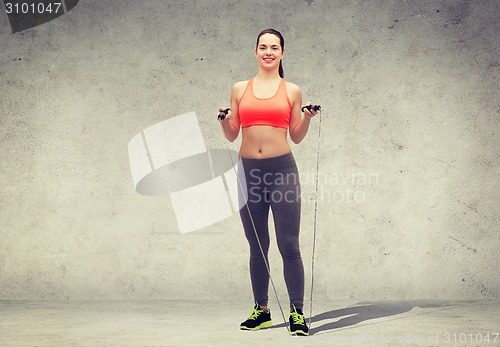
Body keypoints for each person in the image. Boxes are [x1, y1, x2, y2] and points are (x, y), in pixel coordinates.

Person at [218, 28, 319, 336]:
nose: (268, 51)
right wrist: (224, 120)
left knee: (289, 244)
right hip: (249, 172)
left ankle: (297, 312)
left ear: (282, 53)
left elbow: (296, 136)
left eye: (274, 47)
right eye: (263, 46)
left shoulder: (291, 91)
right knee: (258, 245)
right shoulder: (239, 88)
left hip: (282, 171)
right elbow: (233, 133)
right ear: (256, 51)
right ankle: (261, 310)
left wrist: (308, 119)